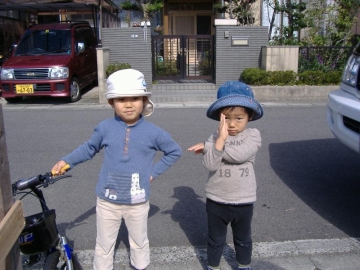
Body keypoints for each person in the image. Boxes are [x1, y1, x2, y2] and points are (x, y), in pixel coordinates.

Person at [52, 69, 182, 270]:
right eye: (121, 99)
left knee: (139, 241)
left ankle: (140, 266)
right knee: (104, 243)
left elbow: (174, 151)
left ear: (144, 100)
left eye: (135, 98)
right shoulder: (105, 128)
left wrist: (153, 174)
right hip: (106, 201)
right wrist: (66, 161)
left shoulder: (154, 132)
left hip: (138, 202)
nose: (129, 104)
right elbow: (89, 148)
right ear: (112, 102)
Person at [188, 81, 264, 270]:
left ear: (249, 116)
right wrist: (217, 141)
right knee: (215, 240)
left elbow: (240, 156)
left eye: (238, 118)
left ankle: (244, 265)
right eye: (226, 118)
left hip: (243, 201)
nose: (231, 124)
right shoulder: (215, 137)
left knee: (243, 239)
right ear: (219, 117)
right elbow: (210, 164)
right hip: (216, 200)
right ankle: (213, 266)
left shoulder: (253, 135)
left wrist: (211, 147)